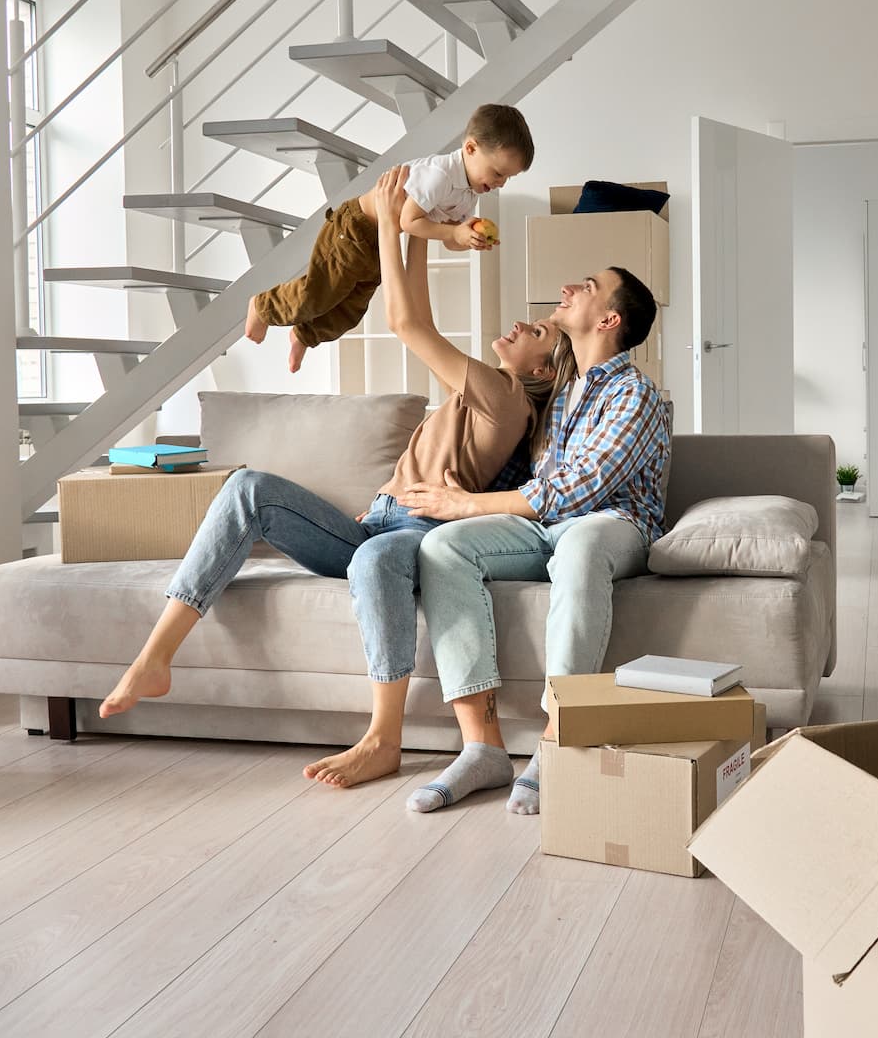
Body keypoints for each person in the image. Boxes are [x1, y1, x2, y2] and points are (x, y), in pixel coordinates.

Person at [99, 165, 573, 790]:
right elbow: (421, 314)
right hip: (374, 520)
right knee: (247, 489)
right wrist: (417, 229)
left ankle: (383, 740)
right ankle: (155, 655)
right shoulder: (481, 392)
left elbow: (406, 326)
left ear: (544, 368)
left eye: (535, 331)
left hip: (412, 534)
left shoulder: (506, 398)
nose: (518, 327)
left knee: (376, 559)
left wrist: (388, 225)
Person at [397, 266, 669, 815]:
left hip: (613, 524)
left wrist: (470, 504)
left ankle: (557, 737)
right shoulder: (566, 394)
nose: (568, 287)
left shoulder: (636, 392)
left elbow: (581, 486)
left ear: (609, 319)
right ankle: (483, 747)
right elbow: (536, 482)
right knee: (444, 546)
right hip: (546, 528)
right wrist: (465, 496)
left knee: (581, 545)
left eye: (587, 287)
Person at [244, 103, 533, 373]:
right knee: (318, 293)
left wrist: (467, 239)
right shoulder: (440, 176)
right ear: (470, 148)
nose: (500, 183)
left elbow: (446, 239)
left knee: (351, 309)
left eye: (507, 178)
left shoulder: (468, 195)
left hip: (381, 241)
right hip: (355, 229)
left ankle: (304, 336)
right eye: (498, 173)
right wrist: (454, 230)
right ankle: (263, 306)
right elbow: (410, 220)